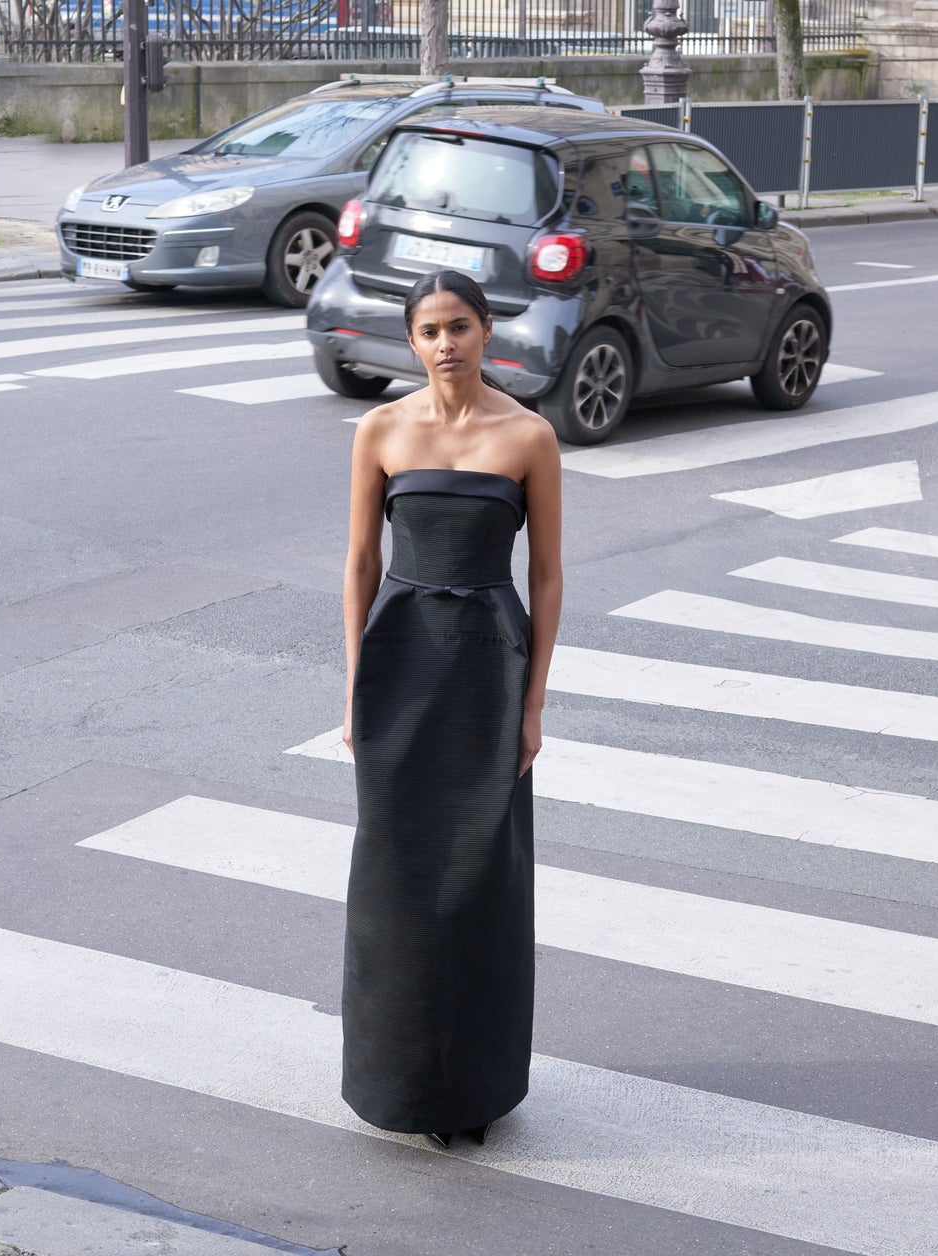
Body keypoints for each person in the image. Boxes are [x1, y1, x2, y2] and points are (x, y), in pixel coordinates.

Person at [339, 269, 563, 1150]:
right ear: (412, 340)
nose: (445, 344)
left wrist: (534, 703)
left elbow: (545, 576)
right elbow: (360, 564)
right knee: (393, 880)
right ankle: (396, 1086)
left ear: (484, 331)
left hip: (487, 669)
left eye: (459, 326)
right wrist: (355, 684)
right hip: (399, 664)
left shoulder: (530, 436)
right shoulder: (381, 428)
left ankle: (474, 1084)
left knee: (481, 882)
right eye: (429, 329)